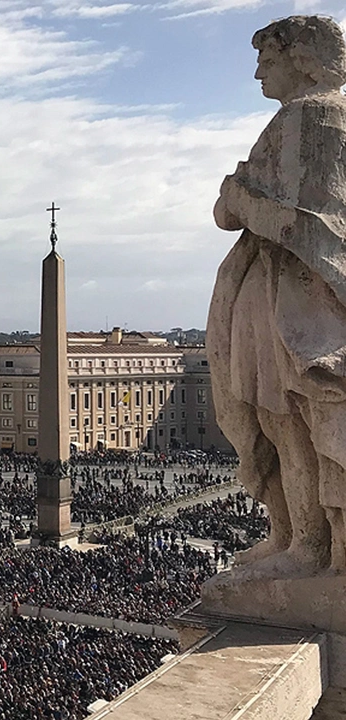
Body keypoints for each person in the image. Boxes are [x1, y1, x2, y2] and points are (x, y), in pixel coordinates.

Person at [210, 15, 346, 575]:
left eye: (267, 59)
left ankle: (306, 545)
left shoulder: (309, 119)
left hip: (292, 296)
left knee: (292, 426)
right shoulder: (308, 120)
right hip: (286, 291)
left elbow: (301, 223)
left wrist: (240, 197)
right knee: (287, 424)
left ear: (301, 58)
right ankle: (299, 539)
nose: (257, 72)